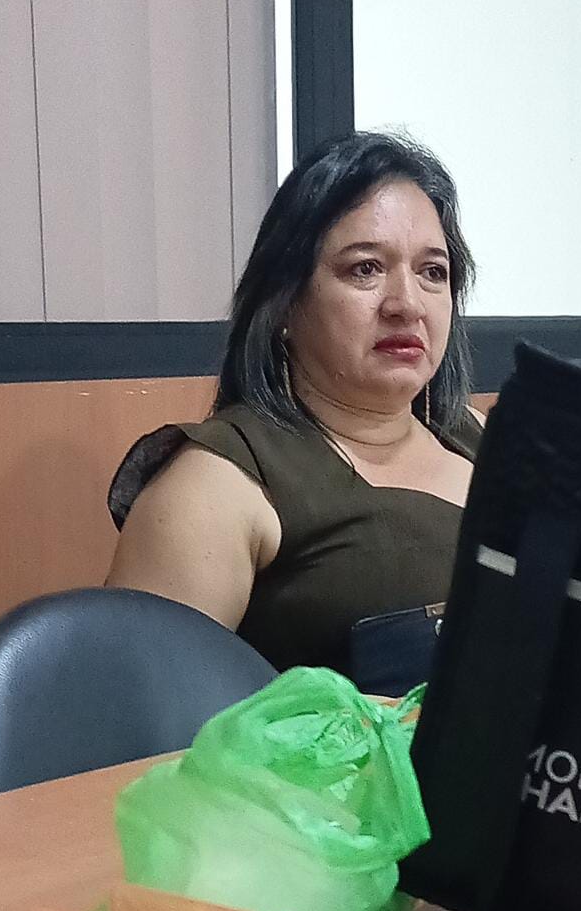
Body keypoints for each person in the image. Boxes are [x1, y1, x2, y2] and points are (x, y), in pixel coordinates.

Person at [106, 131, 482, 673]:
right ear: (284, 302)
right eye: (365, 269)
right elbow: (141, 709)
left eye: (432, 273)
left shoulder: (477, 436)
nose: (407, 304)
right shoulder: (217, 484)